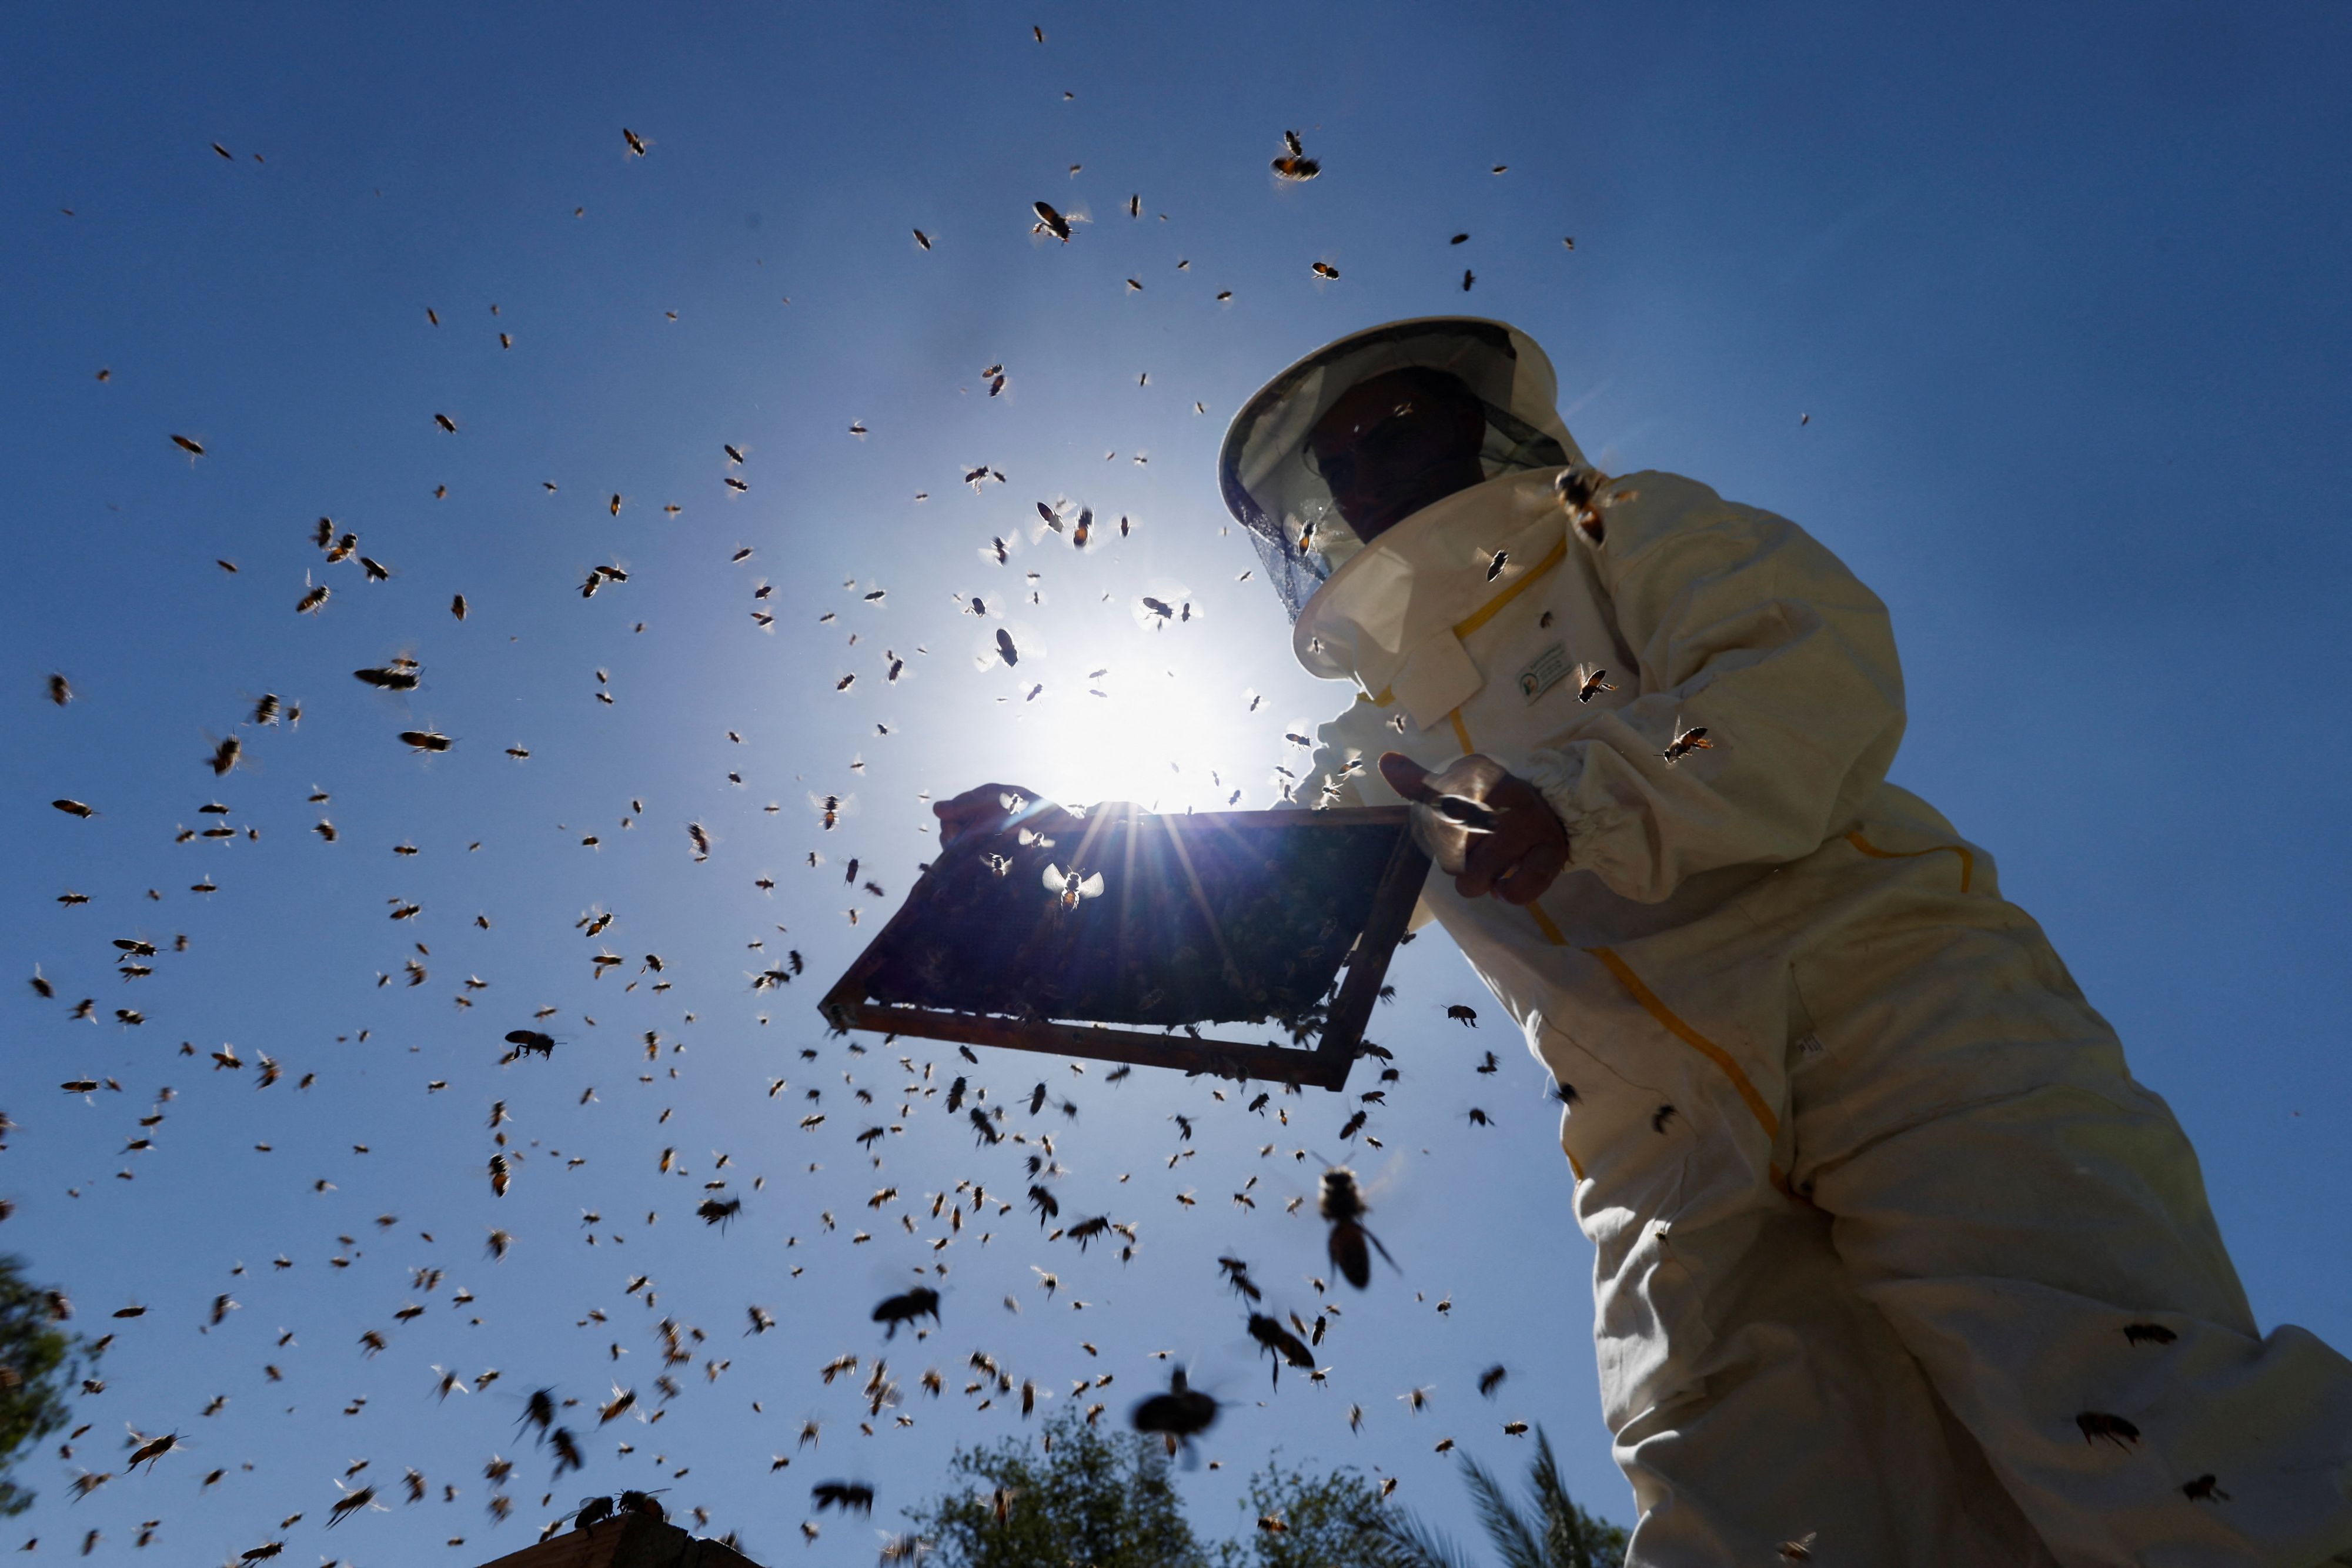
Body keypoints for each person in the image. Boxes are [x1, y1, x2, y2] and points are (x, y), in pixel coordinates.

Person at [936, 318, 2352, 1566]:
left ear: (1470, 423)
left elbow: (1815, 665)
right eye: (1341, 457)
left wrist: (1574, 797)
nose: (1369, 466)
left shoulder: (1627, 528)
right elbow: (1252, 908)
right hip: (1650, 1138)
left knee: (2131, 1411)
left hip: (1888, 998)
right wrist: (1057, 879)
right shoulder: (1366, 743)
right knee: (1749, 1512)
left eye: (1395, 424)